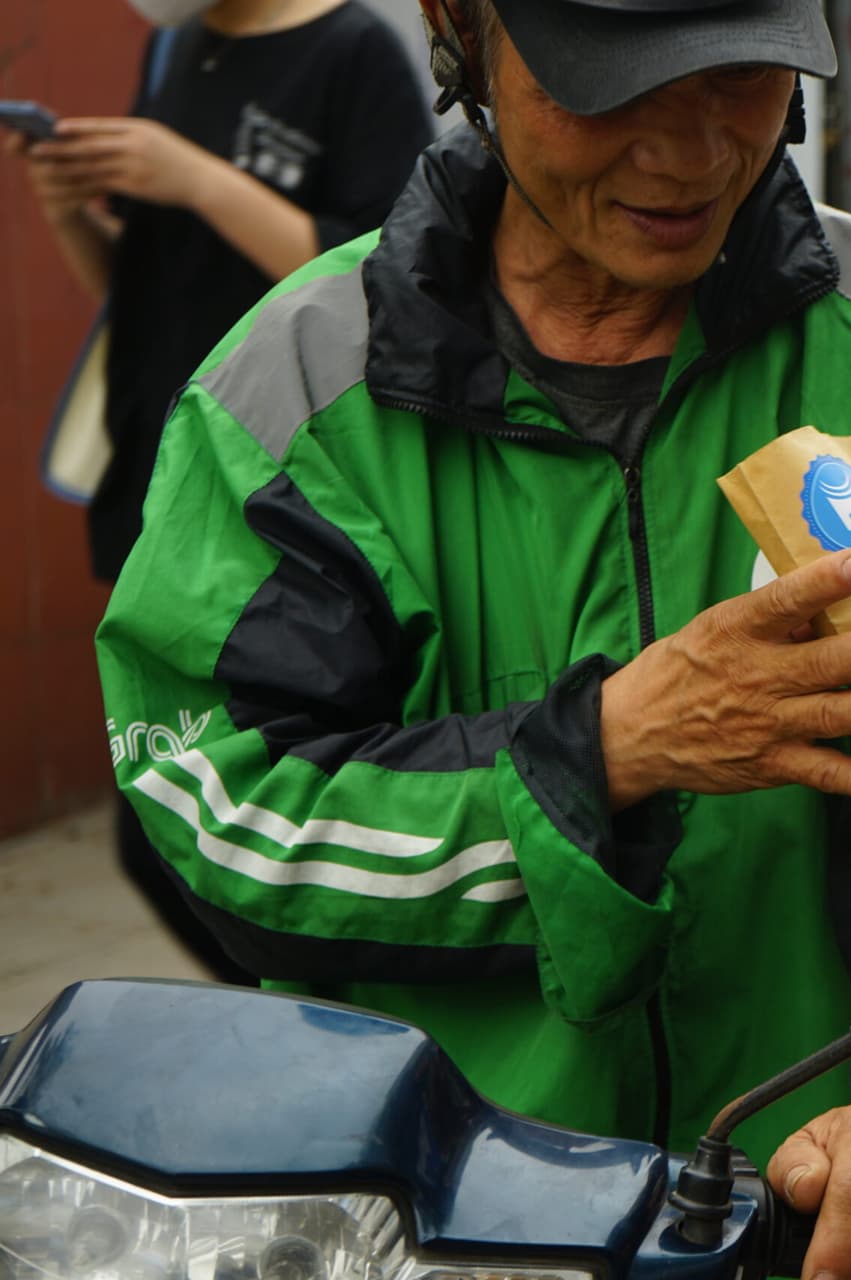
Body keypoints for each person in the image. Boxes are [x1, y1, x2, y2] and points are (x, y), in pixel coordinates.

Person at [92, 1, 851, 1276]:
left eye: (738, 76)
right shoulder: (290, 401)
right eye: (610, 87)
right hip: (439, 1224)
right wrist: (603, 751)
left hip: (810, 1227)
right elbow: (224, 813)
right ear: (460, 29)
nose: (686, 155)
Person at [12, 0, 433, 985]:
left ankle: (327, 1011)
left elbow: (392, 284)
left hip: (288, 495)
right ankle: (312, 1009)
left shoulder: (353, 51)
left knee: (224, 819)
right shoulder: (177, 49)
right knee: (170, 823)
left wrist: (196, 178)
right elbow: (137, 291)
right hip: (166, 484)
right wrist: (71, 208)